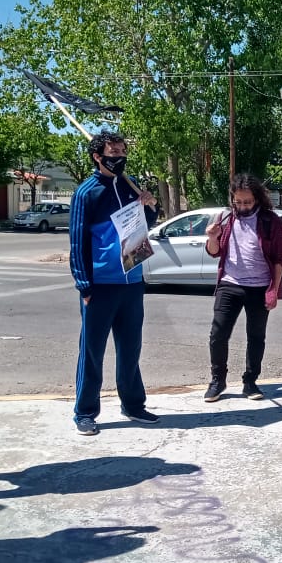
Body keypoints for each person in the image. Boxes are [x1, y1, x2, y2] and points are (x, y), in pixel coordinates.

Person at [70, 131, 160, 436]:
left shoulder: (129, 184)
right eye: (114, 151)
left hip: (132, 279)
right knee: (92, 350)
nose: (119, 155)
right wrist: (84, 284)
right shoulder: (87, 192)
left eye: (123, 150)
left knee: (130, 348)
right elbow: (77, 241)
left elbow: (145, 224)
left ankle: (133, 404)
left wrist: (149, 205)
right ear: (98, 156)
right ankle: (85, 411)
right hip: (101, 283)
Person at [202, 173, 282, 403]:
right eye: (237, 202)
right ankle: (217, 380)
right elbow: (214, 252)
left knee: (256, 336)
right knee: (217, 334)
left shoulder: (271, 222)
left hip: (259, 286)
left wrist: (273, 290)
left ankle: (250, 381)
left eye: (247, 202)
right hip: (230, 284)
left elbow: (280, 259)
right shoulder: (226, 219)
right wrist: (212, 237)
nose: (242, 207)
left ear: (257, 199)